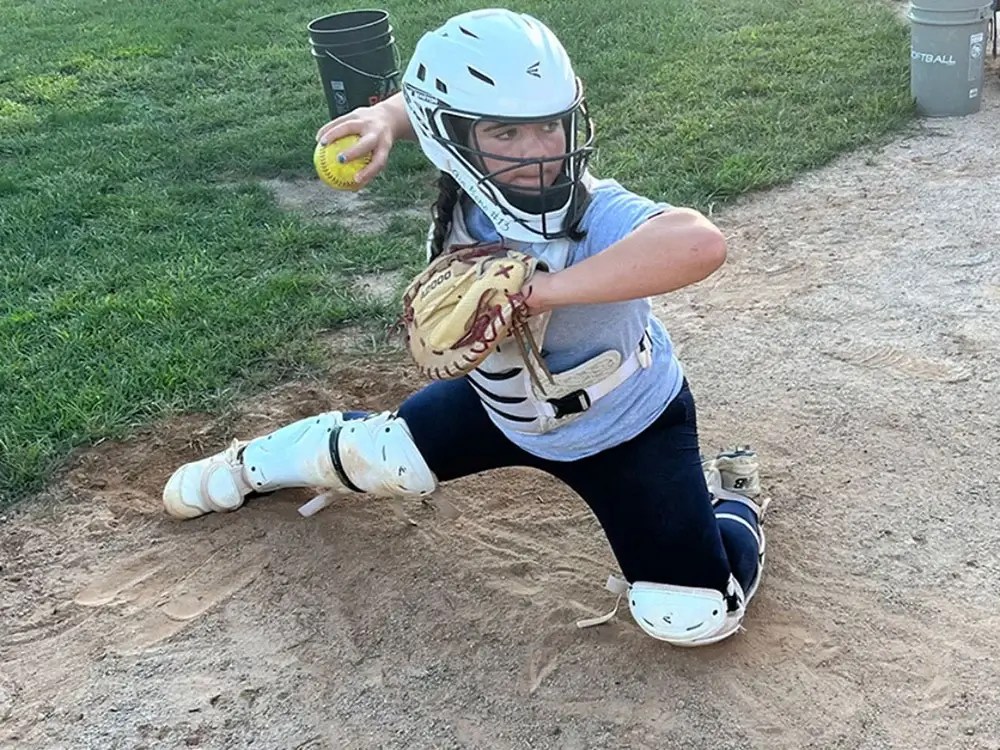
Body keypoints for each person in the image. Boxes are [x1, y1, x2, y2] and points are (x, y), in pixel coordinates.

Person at [163, 8, 769, 647]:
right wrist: (384, 117)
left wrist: (542, 292)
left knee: (690, 618)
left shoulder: (595, 210)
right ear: (445, 137)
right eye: (506, 132)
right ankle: (248, 466)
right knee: (381, 457)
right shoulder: (462, 187)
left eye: (551, 127)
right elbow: (424, 107)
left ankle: (734, 501)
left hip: (626, 424)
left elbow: (699, 243)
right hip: (501, 410)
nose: (540, 153)